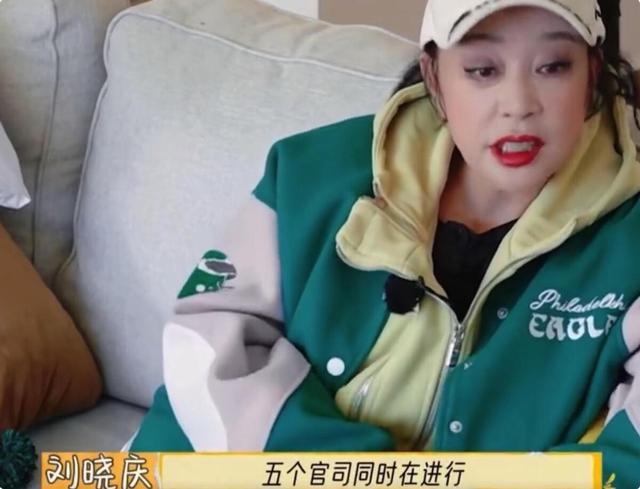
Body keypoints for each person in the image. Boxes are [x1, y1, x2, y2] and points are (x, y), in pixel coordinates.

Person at [130, 0, 640, 486]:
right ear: (435, 77)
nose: (519, 105)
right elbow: (207, 347)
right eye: (483, 70)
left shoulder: (627, 236)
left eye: (553, 66)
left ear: (591, 74)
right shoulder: (311, 175)